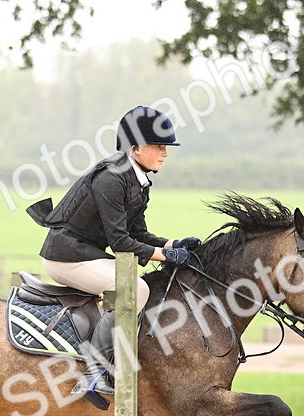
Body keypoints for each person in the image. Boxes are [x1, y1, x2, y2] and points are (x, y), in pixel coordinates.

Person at [27, 106, 201, 397]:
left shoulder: (136, 179)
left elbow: (138, 234)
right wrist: (167, 257)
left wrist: (173, 244)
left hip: (85, 253)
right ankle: (93, 374)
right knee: (135, 289)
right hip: (65, 257)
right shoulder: (112, 178)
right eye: (158, 146)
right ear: (135, 149)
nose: (165, 153)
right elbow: (121, 243)